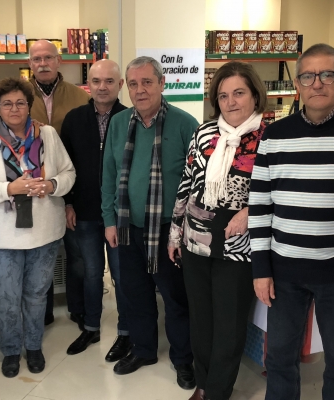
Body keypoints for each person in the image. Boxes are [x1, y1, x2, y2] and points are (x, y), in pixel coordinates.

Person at [247, 43, 334, 400]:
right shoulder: (275, 136)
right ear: (297, 83)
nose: (318, 83)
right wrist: (260, 268)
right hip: (284, 273)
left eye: (328, 74)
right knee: (279, 357)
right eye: (308, 76)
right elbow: (260, 204)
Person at [0, 78, 75, 378]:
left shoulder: (48, 135)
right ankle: (12, 350)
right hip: (1, 237)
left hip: (44, 233)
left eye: (20, 102)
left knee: (37, 295)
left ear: (29, 106)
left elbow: (68, 173)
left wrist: (52, 185)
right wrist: (8, 188)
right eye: (7, 104)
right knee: (6, 297)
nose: (15, 108)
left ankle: (34, 346)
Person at [169, 61, 266, 400]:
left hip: (239, 246)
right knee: (202, 320)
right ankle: (204, 382)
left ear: (255, 94)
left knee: (228, 324)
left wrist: (251, 211)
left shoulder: (272, 136)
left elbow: (282, 190)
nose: (231, 102)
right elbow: (187, 183)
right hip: (196, 241)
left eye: (239, 93)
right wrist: (175, 233)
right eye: (223, 95)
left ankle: (218, 391)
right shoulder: (204, 133)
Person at [101, 56, 198, 389]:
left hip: (169, 232)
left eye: (146, 82)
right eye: (133, 83)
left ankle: (183, 360)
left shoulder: (185, 124)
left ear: (161, 83)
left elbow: (193, 182)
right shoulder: (119, 124)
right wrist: (109, 220)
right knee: (135, 294)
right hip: (128, 227)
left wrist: (184, 230)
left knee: (175, 299)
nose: (139, 90)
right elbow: (109, 174)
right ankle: (143, 350)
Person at [60, 59, 132, 360]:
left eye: (109, 81)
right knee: (91, 273)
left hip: (120, 213)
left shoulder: (132, 118)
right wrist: (68, 203)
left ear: (120, 85)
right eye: (97, 81)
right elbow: (65, 165)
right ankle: (91, 327)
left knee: (122, 273)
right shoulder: (74, 119)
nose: (102, 87)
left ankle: (126, 333)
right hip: (86, 211)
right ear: (88, 84)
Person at [27, 39, 91, 326]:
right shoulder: (19, 96)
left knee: (75, 253)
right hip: (31, 190)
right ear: (29, 64)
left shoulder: (79, 96)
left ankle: (78, 307)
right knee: (40, 253)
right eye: (36, 59)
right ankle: (44, 311)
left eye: (48, 58)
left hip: (71, 185)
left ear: (59, 61)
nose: (42, 63)